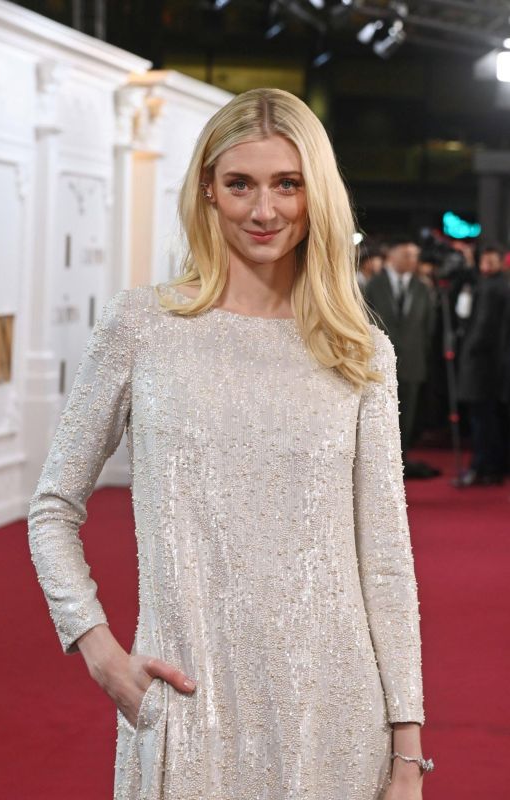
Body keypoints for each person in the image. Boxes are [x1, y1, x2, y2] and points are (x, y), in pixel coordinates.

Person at [27, 88, 433, 800]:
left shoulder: (358, 349)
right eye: (239, 184)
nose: (263, 210)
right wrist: (97, 647)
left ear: (316, 197)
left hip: (335, 716)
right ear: (208, 193)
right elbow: (52, 507)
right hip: (188, 713)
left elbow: (386, 560)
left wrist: (406, 750)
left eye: (287, 184)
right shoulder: (142, 327)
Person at [363, 236, 439, 479]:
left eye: (415, 256)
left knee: (407, 416)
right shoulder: (373, 285)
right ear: (392, 255)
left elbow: (428, 327)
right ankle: (377, 465)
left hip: (413, 364)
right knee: (378, 416)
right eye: (407, 255)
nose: (412, 260)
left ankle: (401, 463)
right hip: (377, 365)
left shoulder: (422, 287)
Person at [457, 243, 510, 485]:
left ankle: (484, 466)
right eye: (483, 261)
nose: (485, 265)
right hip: (494, 365)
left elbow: (482, 326)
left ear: (501, 261)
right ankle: (492, 466)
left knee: (483, 419)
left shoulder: (492, 288)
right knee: (491, 418)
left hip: (481, 366)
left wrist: (467, 350)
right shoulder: (497, 285)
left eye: (491, 261)